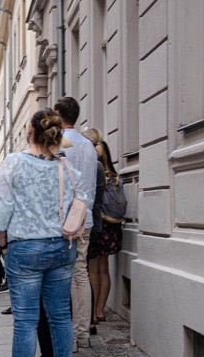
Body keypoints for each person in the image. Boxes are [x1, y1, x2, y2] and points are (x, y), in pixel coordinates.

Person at [0, 108, 83, 357]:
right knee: (60, 316)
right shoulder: (67, 167)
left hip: (25, 248)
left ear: (30, 130)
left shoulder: (14, 163)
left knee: (26, 320)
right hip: (62, 247)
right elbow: (82, 208)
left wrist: (3, 245)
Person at [54, 97, 97, 351]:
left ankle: (67, 338)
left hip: (63, 221)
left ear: (59, 116)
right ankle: (82, 333)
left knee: (62, 277)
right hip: (85, 217)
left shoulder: (60, 143)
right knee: (80, 274)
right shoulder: (89, 145)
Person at [82, 129, 123, 329]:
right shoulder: (113, 176)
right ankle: (100, 309)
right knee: (104, 269)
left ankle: (93, 313)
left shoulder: (93, 169)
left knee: (92, 270)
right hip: (112, 226)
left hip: (97, 224)